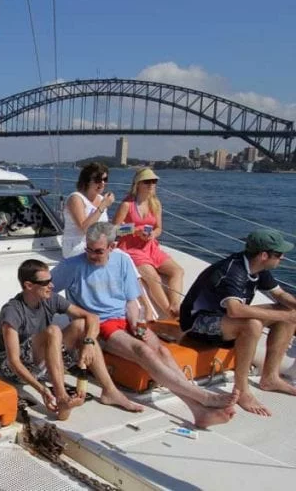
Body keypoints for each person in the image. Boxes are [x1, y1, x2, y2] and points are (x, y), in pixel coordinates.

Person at [51, 222, 239, 428]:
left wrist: (136, 323)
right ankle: (204, 397)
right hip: (100, 324)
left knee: (162, 351)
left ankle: (198, 410)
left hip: (124, 319)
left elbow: (131, 301)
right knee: (144, 351)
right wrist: (72, 312)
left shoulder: (122, 260)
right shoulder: (72, 266)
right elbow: (47, 292)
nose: (91, 255)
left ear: (112, 247)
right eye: (88, 248)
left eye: (98, 251)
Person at [0, 259, 143, 420]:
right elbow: (13, 362)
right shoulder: (12, 311)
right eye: (45, 283)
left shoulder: (50, 298)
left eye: (50, 280)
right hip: (13, 369)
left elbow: (91, 317)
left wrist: (88, 342)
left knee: (80, 325)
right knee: (53, 331)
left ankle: (109, 391)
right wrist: (42, 390)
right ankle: (62, 397)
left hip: (39, 362)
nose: (51, 285)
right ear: (29, 285)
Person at [180, 229, 296, 417]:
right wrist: (286, 317)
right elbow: (235, 310)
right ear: (264, 255)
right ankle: (241, 390)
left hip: (225, 320)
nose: (282, 258)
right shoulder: (234, 271)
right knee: (253, 325)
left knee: (288, 311)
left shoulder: (258, 268)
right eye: (279, 254)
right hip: (197, 323)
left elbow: (280, 295)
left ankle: (270, 377)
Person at [113, 168, 184, 318]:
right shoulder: (127, 204)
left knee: (177, 271)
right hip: (131, 248)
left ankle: (175, 305)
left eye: (154, 181)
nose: (152, 184)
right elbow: (114, 229)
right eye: (147, 181)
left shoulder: (155, 203)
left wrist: (152, 234)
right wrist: (135, 230)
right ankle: (170, 314)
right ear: (138, 184)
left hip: (150, 246)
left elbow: (159, 228)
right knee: (154, 279)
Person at [62, 163, 115, 258]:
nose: (102, 183)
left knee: (123, 257)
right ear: (87, 181)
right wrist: (102, 206)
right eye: (98, 180)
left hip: (98, 245)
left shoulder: (101, 199)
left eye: (105, 179)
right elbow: (84, 228)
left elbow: (102, 227)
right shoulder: (76, 198)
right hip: (78, 245)